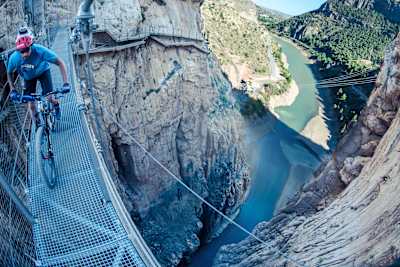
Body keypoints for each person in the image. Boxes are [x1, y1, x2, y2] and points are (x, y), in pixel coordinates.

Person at [6, 27, 70, 124]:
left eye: (26, 50)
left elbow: (60, 62)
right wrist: (13, 89)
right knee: (31, 105)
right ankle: (38, 127)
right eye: (21, 51)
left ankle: (56, 105)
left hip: (43, 72)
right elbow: (9, 72)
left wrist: (66, 83)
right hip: (28, 78)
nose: (24, 54)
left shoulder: (40, 50)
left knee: (49, 98)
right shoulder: (14, 58)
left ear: (31, 45)